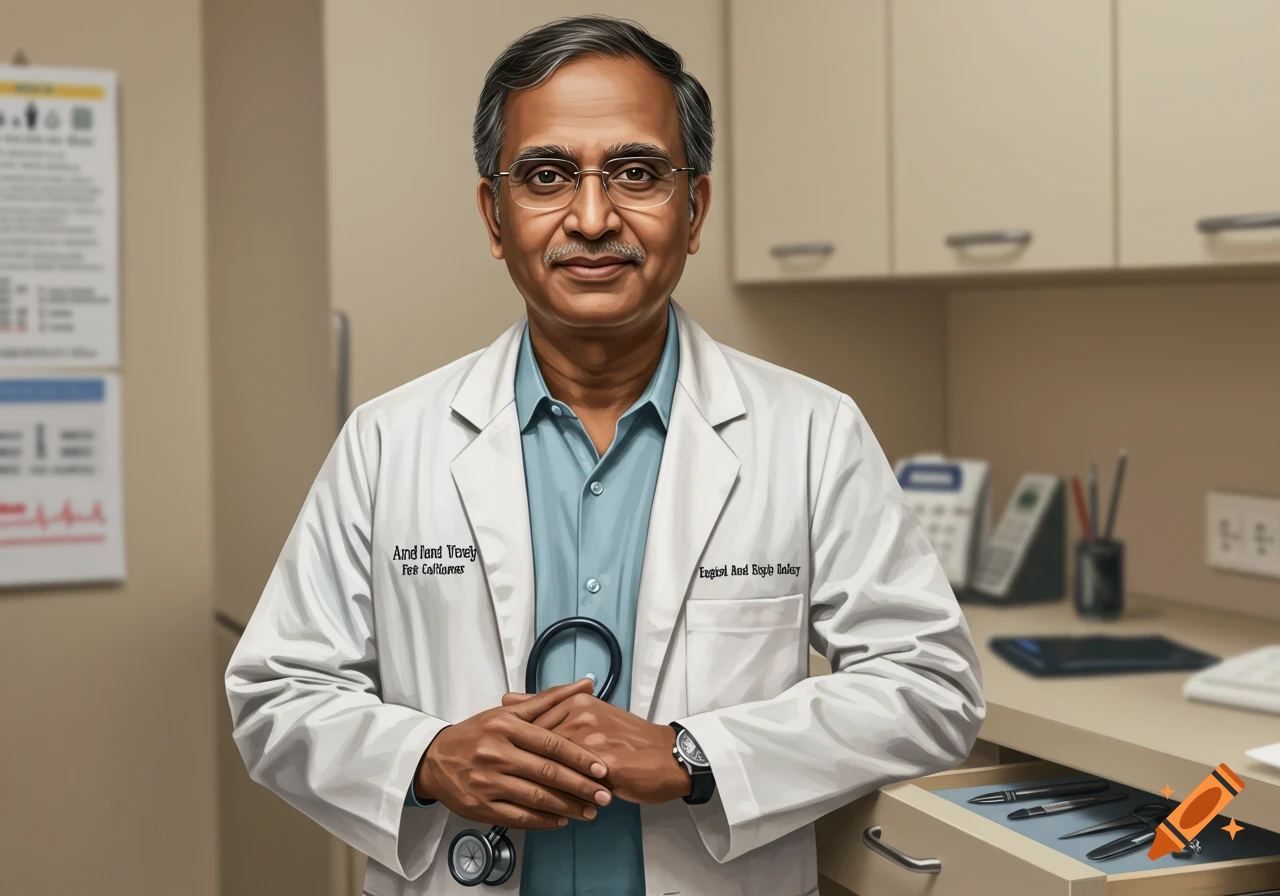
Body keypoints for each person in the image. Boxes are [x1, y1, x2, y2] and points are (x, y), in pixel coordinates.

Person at [225, 14, 986, 896]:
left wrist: (699, 755)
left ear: (693, 208)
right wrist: (427, 758)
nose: (592, 217)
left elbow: (931, 686)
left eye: (637, 174)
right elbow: (275, 694)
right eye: (547, 176)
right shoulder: (389, 440)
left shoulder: (811, 433)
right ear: (495, 214)